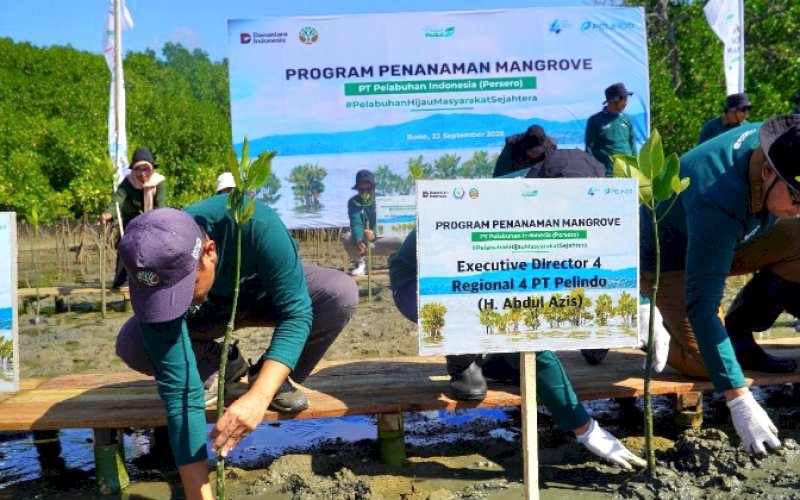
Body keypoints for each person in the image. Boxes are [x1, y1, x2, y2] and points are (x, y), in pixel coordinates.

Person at [115, 201, 358, 498]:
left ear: (210, 251)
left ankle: (270, 375)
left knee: (340, 293)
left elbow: (297, 313)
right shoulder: (153, 269)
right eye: (164, 296)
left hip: (262, 294)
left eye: (184, 289)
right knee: (133, 342)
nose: (177, 300)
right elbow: (181, 395)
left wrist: (259, 396)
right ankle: (224, 367)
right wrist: (200, 494)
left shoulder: (255, 224)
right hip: (207, 315)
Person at [390, 229, 646, 470]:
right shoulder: (510, 223)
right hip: (419, 282)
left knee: (522, 329)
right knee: (482, 339)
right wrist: (586, 429)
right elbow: (533, 345)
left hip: (485, 275)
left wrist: (642, 304)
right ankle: (463, 358)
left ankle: (503, 359)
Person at [639, 114, 800, 455]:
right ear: (767, 172)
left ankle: (739, 328)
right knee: (709, 365)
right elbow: (702, 306)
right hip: (670, 260)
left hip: (734, 237)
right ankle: (645, 328)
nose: (799, 208)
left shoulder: (784, 143)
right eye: (797, 199)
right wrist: (739, 399)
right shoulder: (717, 196)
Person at [101, 147, 167, 288]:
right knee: (125, 247)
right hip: (131, 220)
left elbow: (160, 206)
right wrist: (108, 214)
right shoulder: (128, 183)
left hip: (154, 219)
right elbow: (117, 201)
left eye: (145, 169)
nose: (142, 174)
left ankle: (153, 279)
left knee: (153, 249)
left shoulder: (159, 182)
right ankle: (120, 281)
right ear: (133, 170)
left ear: (152, 169)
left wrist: (152, 224)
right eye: (138, 170)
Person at [342, 169, 403, 276]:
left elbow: (387, 222)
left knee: (402, 241)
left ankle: (396, 260)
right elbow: (355, 222)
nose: (365, 192)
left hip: (381, 240)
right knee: (347, 237)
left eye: (369, 189)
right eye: (362, 190)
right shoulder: (353, 202)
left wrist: (375, 233)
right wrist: (359, 239)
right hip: (363, 243)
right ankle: (361, 264)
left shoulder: (383, 200)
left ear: (374, 187)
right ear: (357, 189)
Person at [585, 83, 637, 177]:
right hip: (606, 174)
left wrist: (636, 167)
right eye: (624, 100)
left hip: (628, 173)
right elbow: (589, 149)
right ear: (614, 101)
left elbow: (632, 143)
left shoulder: (627, 119)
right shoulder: (595, 120)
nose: (626, 103)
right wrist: (592, 172)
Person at [492, 124, 556, 178]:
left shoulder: (550, 148)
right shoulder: (512, 146)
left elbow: (554, 172)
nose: (535, 155)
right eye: (532, 152)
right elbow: (499, 175)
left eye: (539, 152)